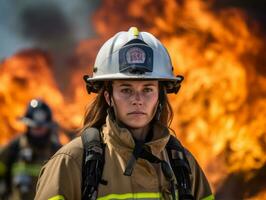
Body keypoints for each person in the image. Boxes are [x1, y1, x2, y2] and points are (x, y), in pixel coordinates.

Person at [35, 27, 215, 200]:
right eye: (126, 90)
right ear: (108, 97)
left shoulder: (183, 164)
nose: (137, 99)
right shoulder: (72, 162)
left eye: (147, 89)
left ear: (160, 97)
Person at [0, 99, 61, 200]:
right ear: (28, 126)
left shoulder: (58, 153)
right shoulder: (13, 149)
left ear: (48, 127)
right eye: (35, 128)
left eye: (41, 128)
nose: (38, 131)